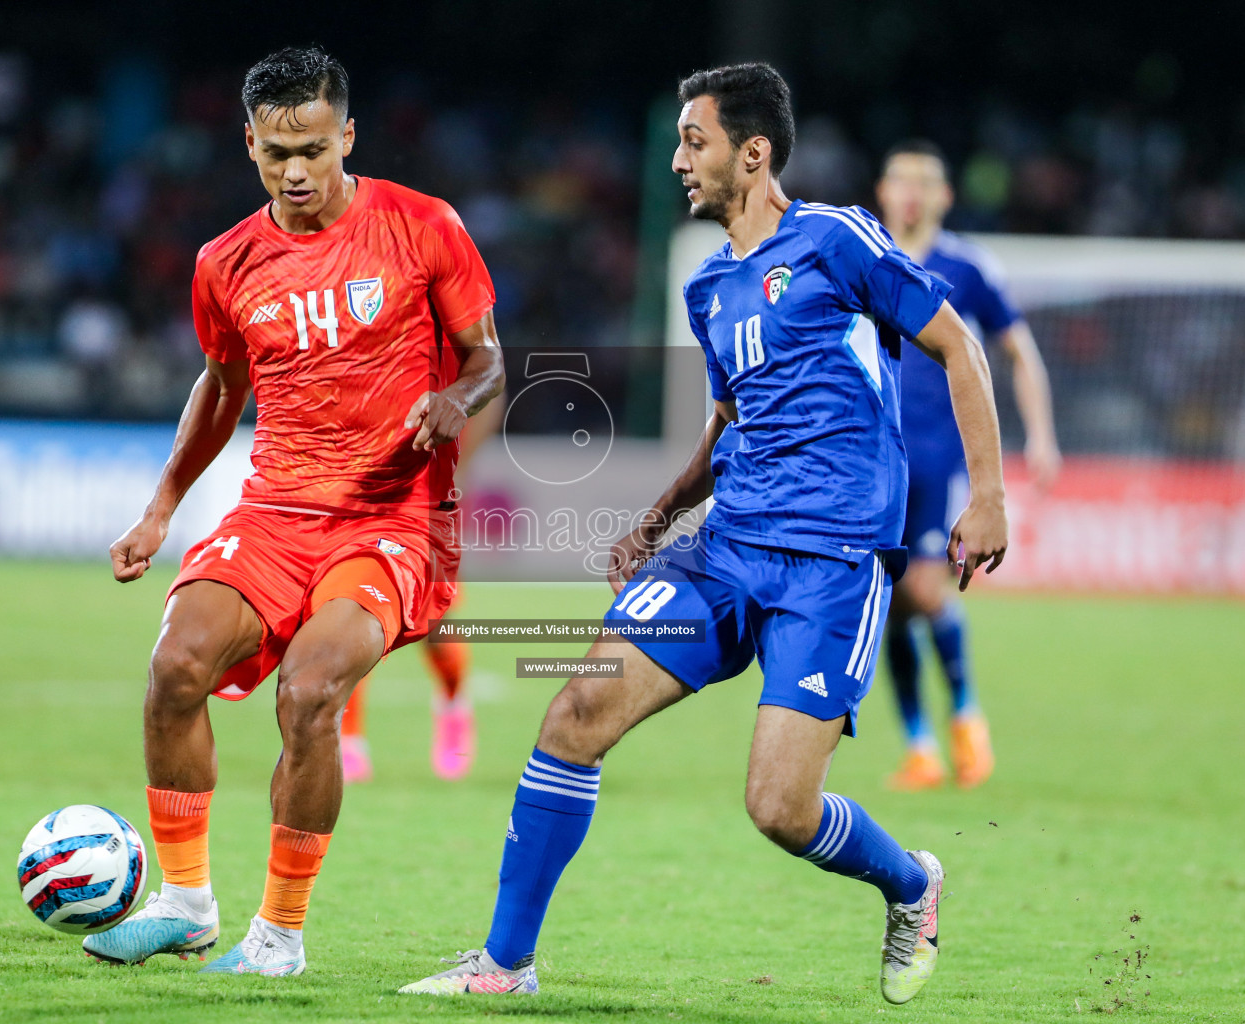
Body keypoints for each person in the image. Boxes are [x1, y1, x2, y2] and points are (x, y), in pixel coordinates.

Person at [400, 63, 1007, 1005]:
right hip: (725, 549)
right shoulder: (710, 288)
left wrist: (989, 497)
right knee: (575, 716)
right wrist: (657, 515)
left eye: (696, 141)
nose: (680, 161)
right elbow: (730, 425)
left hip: (833, 563)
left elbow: (956, 344)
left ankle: (912, 883)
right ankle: (504, 965)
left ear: (753, 152)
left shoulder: (837, 241)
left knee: (779, 808)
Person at [82, 46, 503, 976]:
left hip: (391, 518)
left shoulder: (423, 226)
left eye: (314, 147)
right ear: (250, 144)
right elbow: (221, 386)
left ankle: (278, 937)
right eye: (277, 153)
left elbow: (488, 360)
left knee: (310, 692)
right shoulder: (225, 262)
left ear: (347, 134)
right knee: (174, 665)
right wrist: (160, 511)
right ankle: (187, 904)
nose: (297, 170)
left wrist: (454, 403)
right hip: (275, 509)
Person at [873, 140, 1061, 790]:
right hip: (878, 456)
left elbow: (1018, 351)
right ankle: (921, 747)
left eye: (924, 180)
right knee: (893, 599)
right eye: (900, 179)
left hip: (945, 453)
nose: (911, 191)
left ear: (945, 196)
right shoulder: (864, 258)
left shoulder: (967, 266)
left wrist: (1040, 434)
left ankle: (965, 716)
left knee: (928, 589)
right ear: (882, 190)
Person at [340, 397, 504, 783]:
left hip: (427, 495)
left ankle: (453, 701)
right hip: (366, 491)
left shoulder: (448, 343)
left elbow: (491, 385)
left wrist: (461, 465)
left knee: (434, 624)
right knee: (351, 609)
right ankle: (347, 739)